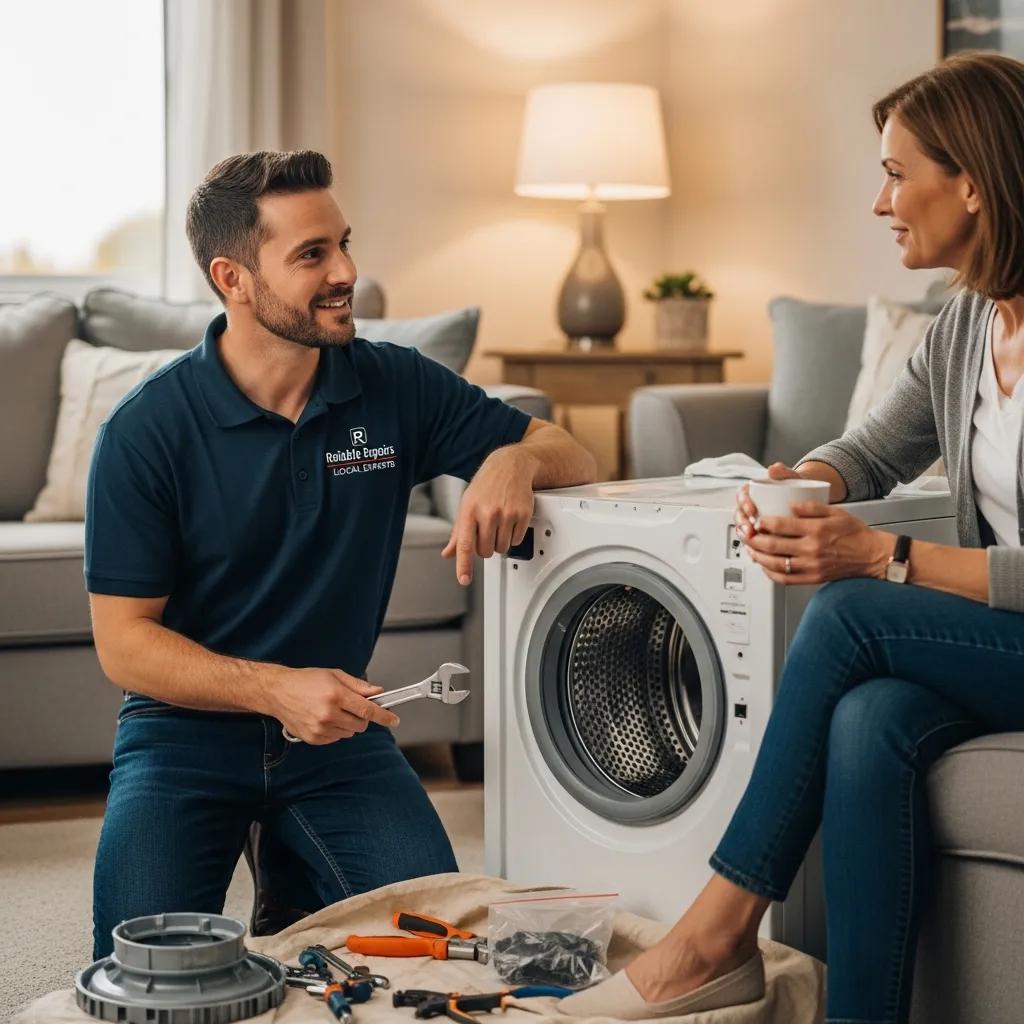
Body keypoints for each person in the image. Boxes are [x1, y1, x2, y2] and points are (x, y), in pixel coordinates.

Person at [561, 52, 1024, 1024]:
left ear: (973, 183)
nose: (878, 201)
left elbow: (880, 564)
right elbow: (872, 450)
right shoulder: (964, 328)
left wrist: (884, 556)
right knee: (868, 722)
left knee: (853, 609)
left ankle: (713, 934)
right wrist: (799, 483)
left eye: (897, 173)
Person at [85, 150, 597, 959]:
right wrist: (276, 690)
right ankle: (282, 864)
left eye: (344, 244)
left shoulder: (394, 385)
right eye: (312, 255)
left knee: (445, 948)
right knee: (139, 970)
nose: (347, 272)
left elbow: (573, 450)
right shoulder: (146, 432)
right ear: (234, 279)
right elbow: (123, 644)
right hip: (183, 736)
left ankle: (288, 878)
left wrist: (518, 458)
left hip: (339, 732)